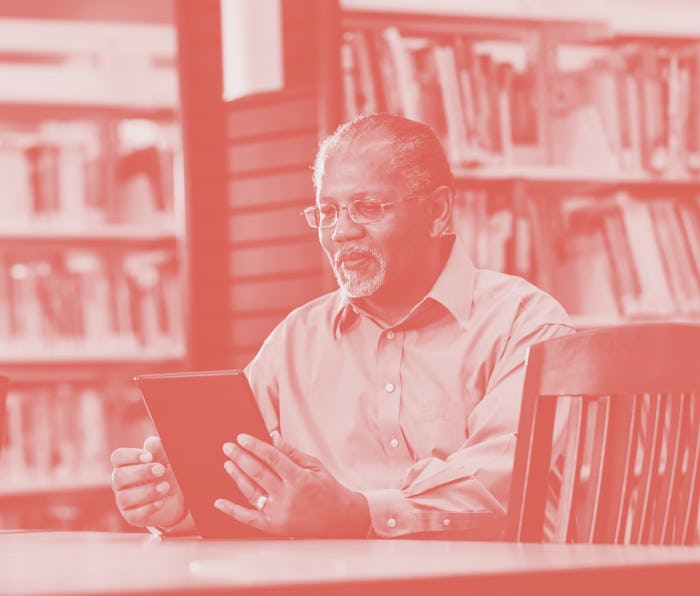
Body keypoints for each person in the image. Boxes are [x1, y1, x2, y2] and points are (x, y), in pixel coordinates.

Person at [111, 113, 574, 539]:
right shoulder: (296, 340)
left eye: (367, 207)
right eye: (326, 212)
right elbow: (246, 480)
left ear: (437, 212)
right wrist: (183, 504)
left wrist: (358, 512)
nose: (341, 232)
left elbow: (503, 481)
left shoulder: (525, 325)